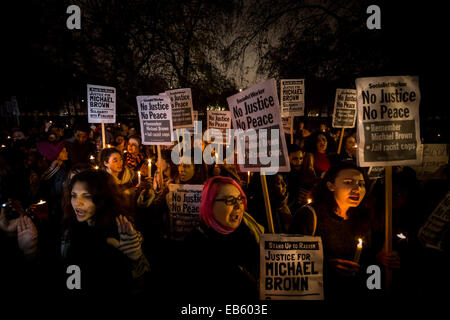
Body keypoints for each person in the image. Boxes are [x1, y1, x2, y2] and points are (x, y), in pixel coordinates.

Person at [289, 162, 375, 300]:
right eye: (348, 182)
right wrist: (325, 267)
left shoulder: (363, 217)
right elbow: (289, 262)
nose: (357, 189)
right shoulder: (309, 215)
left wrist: (381, 258)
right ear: (330, 186)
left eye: (361, 184)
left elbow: (369, 261)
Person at [60, 169, 149, 294]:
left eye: (86, 196)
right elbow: (72, 276)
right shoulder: (73, 227)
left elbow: (139, 284)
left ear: (103, 198)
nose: (77, 203)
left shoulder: (122, 228)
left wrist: (136, 257)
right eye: (74, 195)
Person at [180, 176, 264, 301]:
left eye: (240, 199)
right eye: (230, 200)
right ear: (209, 204)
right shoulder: (195, 247)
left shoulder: (247, 233)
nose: (238, 206)